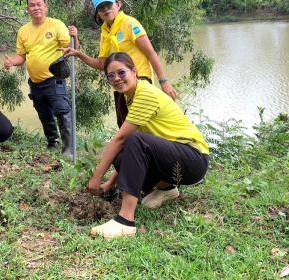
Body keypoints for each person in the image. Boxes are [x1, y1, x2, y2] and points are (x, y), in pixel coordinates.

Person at [88, 52, 209, 239]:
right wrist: (109, 183)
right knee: (124, 153)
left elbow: (121, 139)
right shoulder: (130, 96)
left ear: (134, 71)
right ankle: (167, 189)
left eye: (121, 73)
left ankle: (125, 221)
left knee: (134, 140)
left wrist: (96, 178)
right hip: (174, 159)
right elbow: (131, 149)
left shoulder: (145, 94)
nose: (116, 79)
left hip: (193, 159)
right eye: (111, 76)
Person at [61, 0, 177, 127]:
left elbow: (150, 52)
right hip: (119, 84)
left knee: (141, 128)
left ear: (118, 5)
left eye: (109, 5)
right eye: (101, 7)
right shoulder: (105, 31)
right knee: (123, 126)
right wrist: (79, 54)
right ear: (98, 12)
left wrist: (164, 82)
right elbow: (102, 64)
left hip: (139, 81)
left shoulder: (129, 23)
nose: (106, 9)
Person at [4, 0, 76, 155]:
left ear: (45, 7)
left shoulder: (56, 25)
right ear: (27, 9)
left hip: (54, 79)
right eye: (32, 5)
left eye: (39, 4)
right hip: (35, 82)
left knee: (62, 112)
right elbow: (21, 57)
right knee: (44, 114)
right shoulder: (23, 31)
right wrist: (11, 62)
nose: (36, 7)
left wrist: (75, 38)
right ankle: (53, 142)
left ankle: (69, 150)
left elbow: (71, 49)